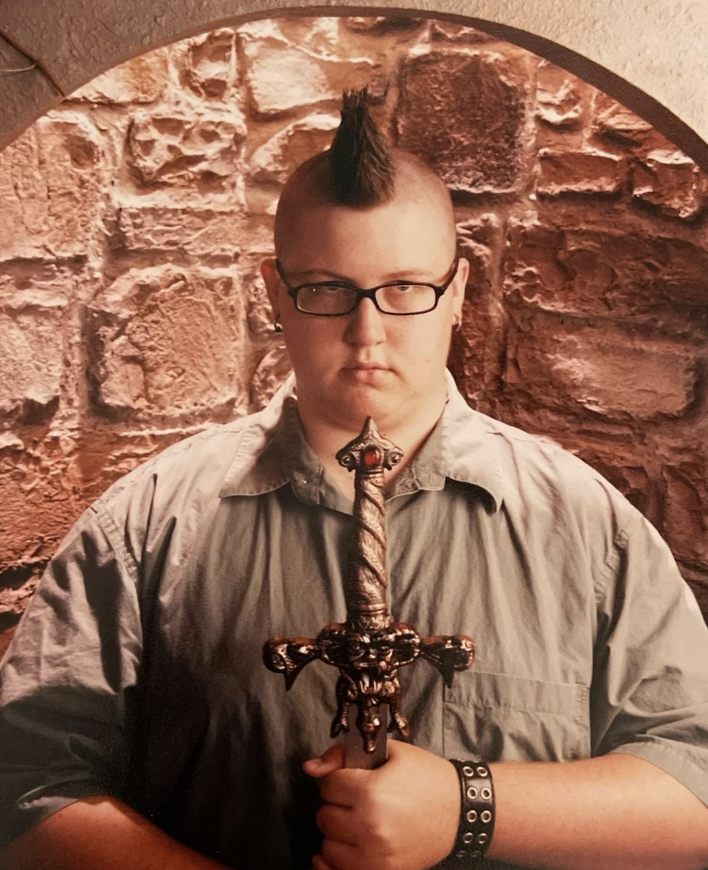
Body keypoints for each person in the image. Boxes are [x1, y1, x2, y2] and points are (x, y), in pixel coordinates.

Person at [1, 89, 708, 870]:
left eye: (406, 288)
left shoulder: (590, 532)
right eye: (328, 290)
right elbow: (25, 789)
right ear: (276, 293)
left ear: (459, 291)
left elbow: (695, 794)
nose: (367, 330)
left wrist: (467, 808)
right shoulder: (143, 530)